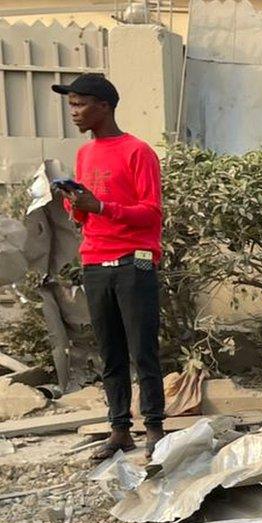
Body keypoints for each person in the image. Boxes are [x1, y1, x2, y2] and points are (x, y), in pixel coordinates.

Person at [52, 74, 166, 460]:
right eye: (70, 105)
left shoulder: (138, 152)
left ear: (104, 106)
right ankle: (120, 429)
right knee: (110, 352)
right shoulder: (84, 155)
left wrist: (100, 206)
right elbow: (84, 216)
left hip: (135, 262)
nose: (74, 113)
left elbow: (152, 214)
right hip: (95, 261)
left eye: (79, 104)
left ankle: (154, 427)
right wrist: (73, 202)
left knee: (143, 350)